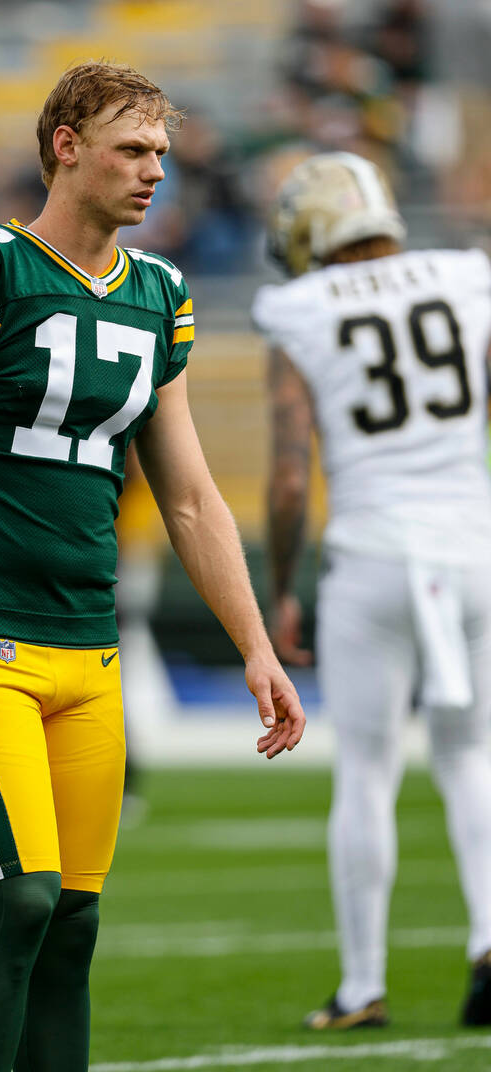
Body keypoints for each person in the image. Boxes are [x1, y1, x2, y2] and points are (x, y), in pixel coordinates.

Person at [0, 60, 306, 1072]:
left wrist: (256, 647)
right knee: (19, 896)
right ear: (64, 146)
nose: (154, 171)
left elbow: (192, 496)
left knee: (72, 925)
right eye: (130, 149)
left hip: (88, 645)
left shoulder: (156, 293)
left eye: (160, 152)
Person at [253, 150, 491, 1030]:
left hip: (373, 555)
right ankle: (488, 938)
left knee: (366, 772)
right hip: (471, 551)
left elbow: (285, 478)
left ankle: (362, 984)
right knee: (472, 757)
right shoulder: (467, 277)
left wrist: (280, 586)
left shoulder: (298, 306)